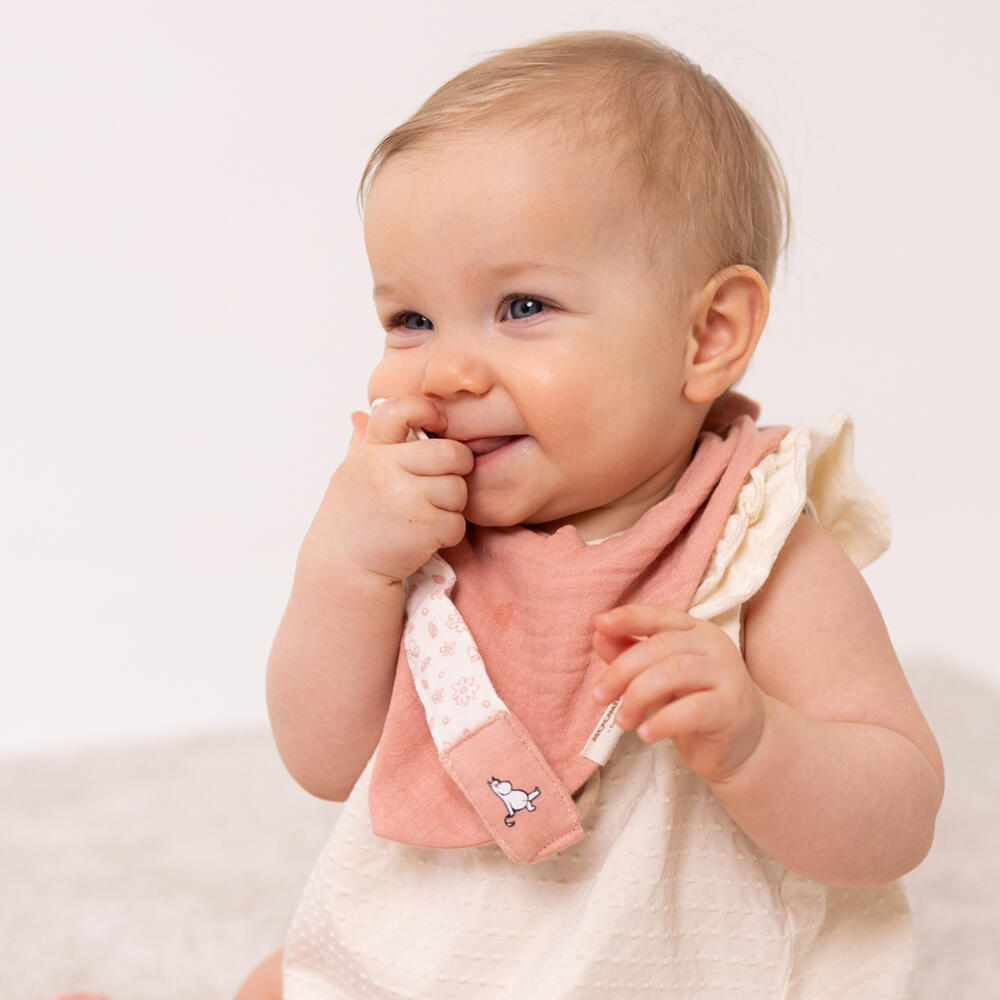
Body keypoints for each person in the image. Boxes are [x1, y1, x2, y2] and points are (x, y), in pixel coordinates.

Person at [238, 29, 944, 999]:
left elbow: (900, 814)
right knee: (283, 980)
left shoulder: (750, 549)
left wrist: (759, 743)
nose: (447, 369)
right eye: (410, 320)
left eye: (522, 307)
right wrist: (345, 565)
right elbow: (322, 760)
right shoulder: (418, 532)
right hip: (431, 961)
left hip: (658, 971)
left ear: (707, 335)